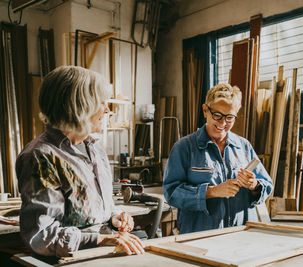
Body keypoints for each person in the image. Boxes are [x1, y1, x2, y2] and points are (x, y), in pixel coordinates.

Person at [15, 66, 145, 257]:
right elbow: (42, 236)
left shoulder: (95, 150)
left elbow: (96, 212)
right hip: (68, 260)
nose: (108, 110)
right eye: (102, 103)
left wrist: (114, 219)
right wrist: (101, 239)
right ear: (79, 107)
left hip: (102, 255)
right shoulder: (41, 157)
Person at [163, 83, 273, 234]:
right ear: (205, 111)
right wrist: (212, 191)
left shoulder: (244, 147)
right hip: (200, 236)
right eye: (217, 115)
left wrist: (254, 185)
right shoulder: (184, 148)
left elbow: (267, 185)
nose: (222, 123)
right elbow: (172, 193)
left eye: (229, 117)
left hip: (241, 235)